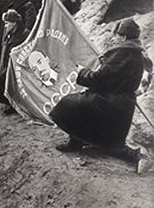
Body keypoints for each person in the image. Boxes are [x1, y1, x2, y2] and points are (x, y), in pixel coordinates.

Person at [50, 19, 154, 163]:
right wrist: (106, 62)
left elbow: (99, 80)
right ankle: (79, 140)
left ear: (123, 37)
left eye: (116, 35)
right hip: (123, 102)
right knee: (85, 101)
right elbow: (114, 76)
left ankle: (78, 140)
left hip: (112, 101)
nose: (114, 38)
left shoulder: (123, 53)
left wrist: (82, 71)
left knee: (69, 103)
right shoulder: (135, 53)